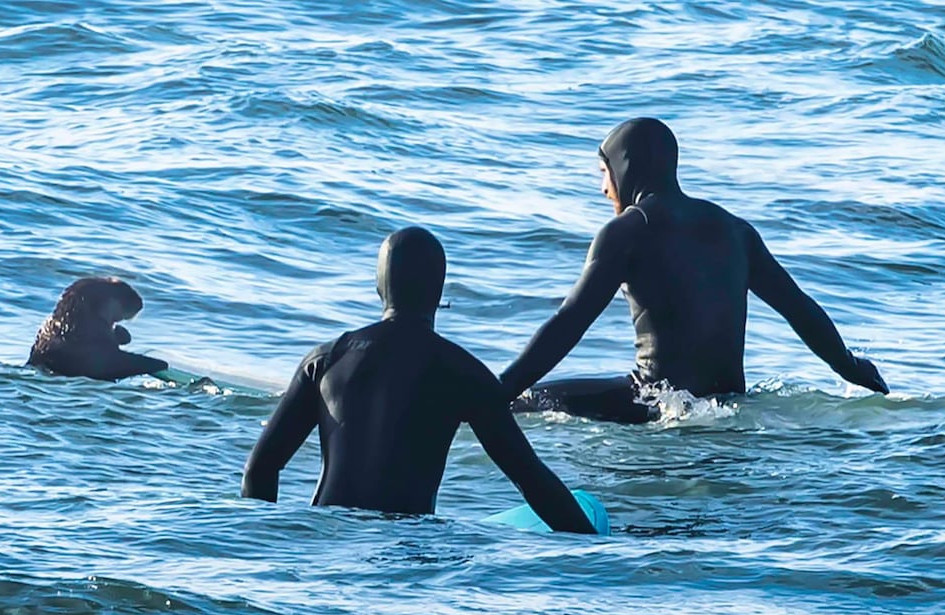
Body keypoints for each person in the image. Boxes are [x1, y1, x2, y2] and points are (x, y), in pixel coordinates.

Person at [501, 117, 888, 424]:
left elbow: (569, 321)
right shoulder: (736, 230)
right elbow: (798, 308)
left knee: (527, 402)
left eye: (603, 172)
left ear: (625, 167)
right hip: (728, 402)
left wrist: (500, 389)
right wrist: (850, 366)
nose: (603, 188)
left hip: (660, 402)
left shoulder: (627, 231)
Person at [241, 226, 597, 534]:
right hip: (408, 550)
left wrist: (269, 549)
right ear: (439, 293)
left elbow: (260, 469)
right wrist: (596, 549)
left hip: (327, 541)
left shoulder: (325, 360)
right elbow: (532, 480)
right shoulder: (463, 372)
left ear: (379, 286)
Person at [28, 277, 169, 382]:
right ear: (110, 303)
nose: (114, 322)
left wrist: (114, 336)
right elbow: (107, 365)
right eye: (116, 318)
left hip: (40, 376)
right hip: (72, 380)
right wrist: (155, 365)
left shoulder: (52, 326)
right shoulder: (89, 332)